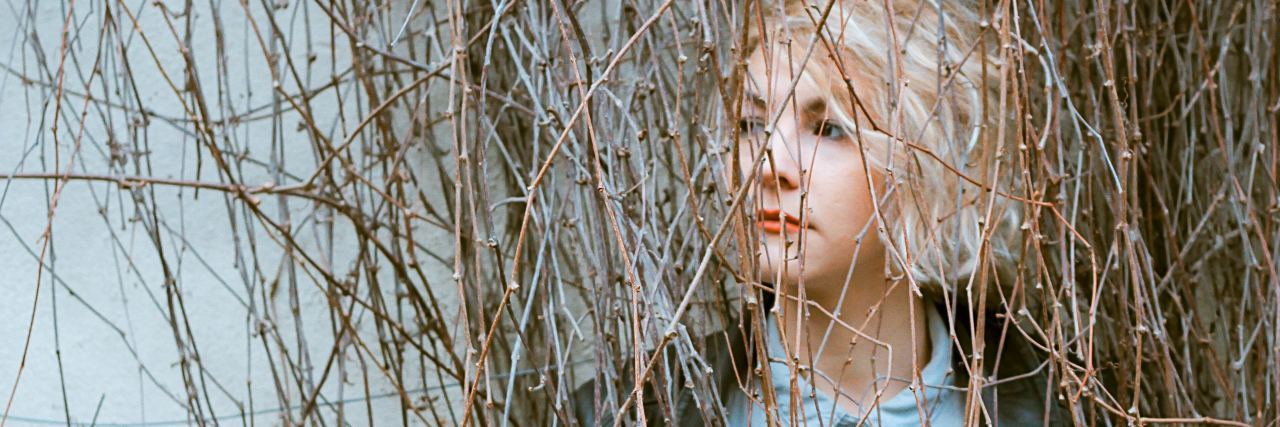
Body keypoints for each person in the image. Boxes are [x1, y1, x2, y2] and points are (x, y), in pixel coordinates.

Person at [574, 1, 1063, 425]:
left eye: (828, 129)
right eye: (751, 124)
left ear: (929, 163)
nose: (769, 167)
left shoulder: (1062, 403)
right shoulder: (621, 410)